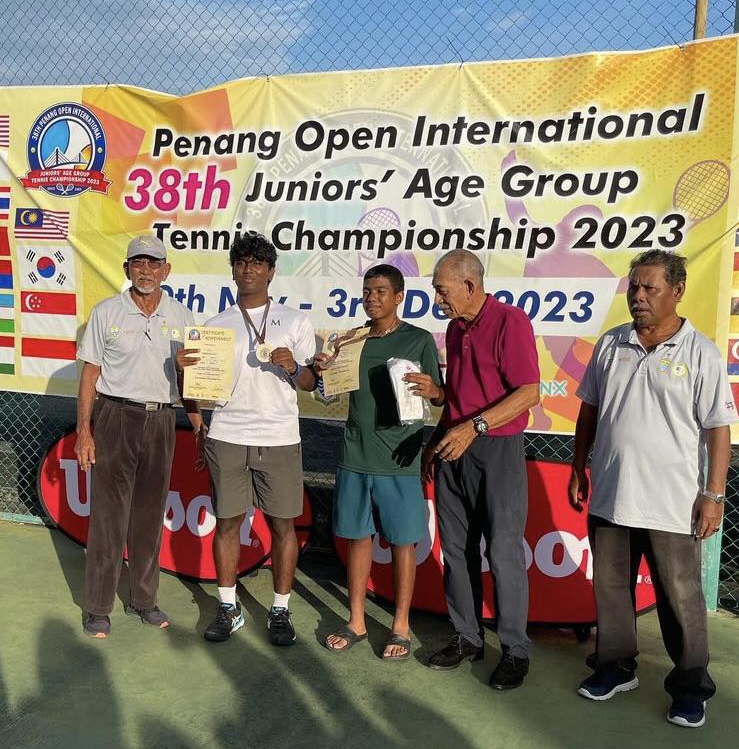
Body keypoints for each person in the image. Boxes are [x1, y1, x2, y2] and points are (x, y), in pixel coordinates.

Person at [569, 250, 736, 728]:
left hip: (672, 503)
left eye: (650, 288)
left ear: (677, 291)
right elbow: (588, 410)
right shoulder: (611, 343)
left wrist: (714, 495)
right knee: (611, 590)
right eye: (633, 287)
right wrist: (579, 467)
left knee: (681, 598)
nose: (638, 297)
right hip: (611, 496)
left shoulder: (700, 352)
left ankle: (691, 687)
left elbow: (718, 429)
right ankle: (616, 667)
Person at [178, 231, 317, 646]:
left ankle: (280, 610)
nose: (248, 269)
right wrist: (187, 371)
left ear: (271, 271)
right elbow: (200, 389)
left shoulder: (296, 321)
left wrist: (294, 368)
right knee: (227, 523)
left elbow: (312, 383)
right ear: (233, 271)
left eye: (257, 263)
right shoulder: (215, 327)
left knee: (283, 525)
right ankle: (228, 607)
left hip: (279, 436)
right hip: (228, 433)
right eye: (241, 263)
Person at [75, 234, 203, 638]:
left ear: (167, 270)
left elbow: (192, 378)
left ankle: (143, 600)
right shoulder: (106, 312)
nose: (145, 270)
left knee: (149, 516)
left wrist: (197, 421)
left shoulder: (182, 316)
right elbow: (90, 375)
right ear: (126, 269)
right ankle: (98, 607)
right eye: (138, 263)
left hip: (162, 420)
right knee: (108, 518)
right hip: (116, 417)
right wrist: (84, 431)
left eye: (153, 263)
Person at [424, 248, 540, 690]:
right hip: (454, 447)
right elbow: (456, 395)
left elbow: (529, 392)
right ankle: (467, 637)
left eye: (442, 290)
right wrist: (435, 443)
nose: (438, 299)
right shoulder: (455, 329)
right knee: (455, 549)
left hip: (498, 450)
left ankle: (515, 650)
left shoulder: (511, 321)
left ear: (469, 286)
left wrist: (474, 428)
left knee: (504, 551)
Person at [317, 264, 444, 660]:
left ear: (399, 297)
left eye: (381, 292)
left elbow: (441, 396)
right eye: (367, 291)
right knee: (358, 539)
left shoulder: (419, 339)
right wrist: (324, 372)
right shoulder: (351, 340)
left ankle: (400, 626)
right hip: (356, 455)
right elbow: (327, 393)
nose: (372, 298)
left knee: (404, 543)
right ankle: (356, 621)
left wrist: (433, 389)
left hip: (400, 458)